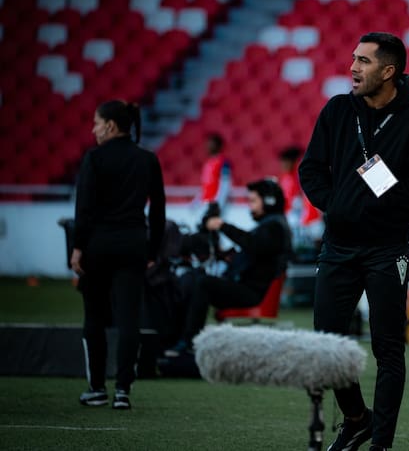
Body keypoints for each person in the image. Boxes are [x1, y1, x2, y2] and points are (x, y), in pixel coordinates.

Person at [299, 32, 409, 451]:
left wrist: (373, 204)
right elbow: (311, 170)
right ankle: (358, 419)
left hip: (387, 248)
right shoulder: (338, 109)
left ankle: (381, 444)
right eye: (353, 58)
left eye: (363, 61)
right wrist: (339, 205)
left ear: (389, 71)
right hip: (339, 245)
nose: (353, 68)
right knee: (327, 346)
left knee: (388, 349)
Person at [71, 100, 166, 410]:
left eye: (96, 123)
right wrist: (152, 250)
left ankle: (96, 388)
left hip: (98, 246)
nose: (93, 129)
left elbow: (83, 209)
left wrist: (77, 247)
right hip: (133, 245)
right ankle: (123, 390)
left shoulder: (95, 159)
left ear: (111, 125)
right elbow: (158, 212)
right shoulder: (147, 159)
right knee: (129, 319)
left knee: (94, 318)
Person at [167, 178, 292, 355]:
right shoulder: (272, 225)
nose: (250, 207)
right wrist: (226, 257)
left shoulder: (274, 227)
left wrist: (222, 225)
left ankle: (188, 341)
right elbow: (255, 253)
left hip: (253, 293)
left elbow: (253, 244)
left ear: (269, 201)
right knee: (194, 277)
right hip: (250, 288)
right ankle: (178, 338)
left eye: (253, 201)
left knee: (203, 283)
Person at [194, 132, 232, 211]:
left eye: (211, 144)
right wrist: (196, 202)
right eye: (208, 144)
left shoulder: (223, 163)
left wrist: (219, 203)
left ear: (219, 146)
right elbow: (204, 186)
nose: (208, 146)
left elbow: (225, 185)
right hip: (205, 203)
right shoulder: (207, 164)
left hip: (215, 204)